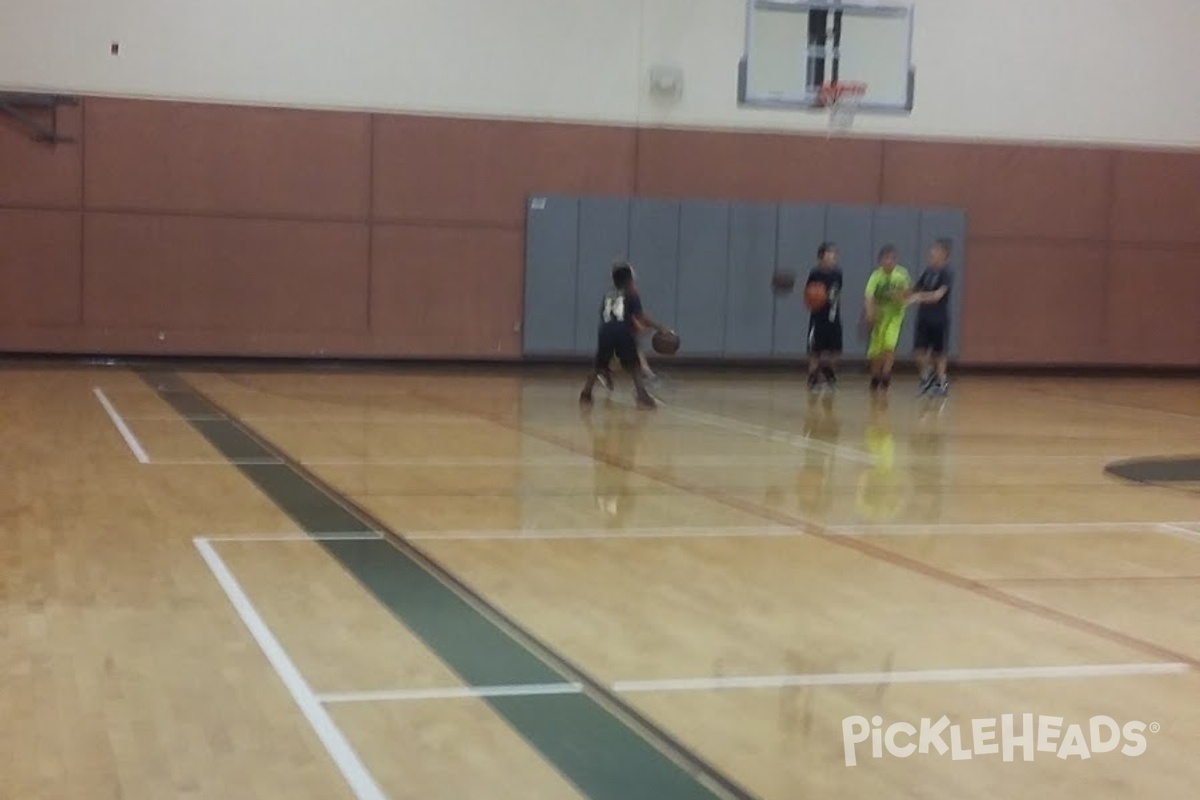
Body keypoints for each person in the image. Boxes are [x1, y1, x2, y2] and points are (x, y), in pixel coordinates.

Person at [580, 261, 668, 409]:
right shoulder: (631, 294)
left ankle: (586, 392)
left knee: (598, 364)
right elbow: (641, 316)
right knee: (634, 365)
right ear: (629, 280)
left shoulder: (608, 294)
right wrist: (659, 327)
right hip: (622, 331)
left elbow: (604, 314)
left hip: (605, 330)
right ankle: (641, 395)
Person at [907, 238, 955, 396]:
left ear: (943, 254)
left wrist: (918, 297)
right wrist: (901, 293)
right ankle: (926, 378)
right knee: (918, 351)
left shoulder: (947, 273)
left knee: (939, 353)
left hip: (939, 318)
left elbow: (938, 296)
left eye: (935, 250)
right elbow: (914, 289)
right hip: (924, 317)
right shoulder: (928, 271)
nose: (931, 252)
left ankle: (941, 382)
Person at [862, 244, 911, 393]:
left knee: (889, 345)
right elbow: (868, 296)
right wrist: (870, 313)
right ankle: (875, 377)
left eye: (892, 258)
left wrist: (899, 297)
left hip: (895, 316)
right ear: (880, 261)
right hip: (879, 317)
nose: (889, 261)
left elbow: (908, 294)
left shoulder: (902, 275)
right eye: (886, 258)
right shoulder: (876, 276)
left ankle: (886, 375)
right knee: (876, 351)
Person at [804, 242, 844, 392]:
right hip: (818, 317)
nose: (833, 257)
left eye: (834, 254)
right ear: (821, 257)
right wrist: (814, 297)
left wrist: (827, 296)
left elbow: (836, 293)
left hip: (833, 316)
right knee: (815, 350)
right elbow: (809, 294)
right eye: (830, 254)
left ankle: (829, 375)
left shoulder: (838, 273)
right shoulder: (815, 274)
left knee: (835, 350)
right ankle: (813, 377)